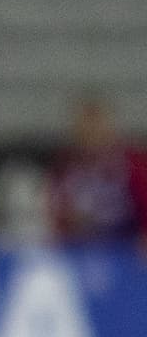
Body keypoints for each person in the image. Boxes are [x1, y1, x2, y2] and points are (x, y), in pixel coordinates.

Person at [47, 93, 147, 244]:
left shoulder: (133, 164)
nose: (91, 133)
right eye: (85, 128)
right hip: (81, 245)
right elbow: (56, 212)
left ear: (111, 128)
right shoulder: (65, 165)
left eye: (97, 127)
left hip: (127, 244)